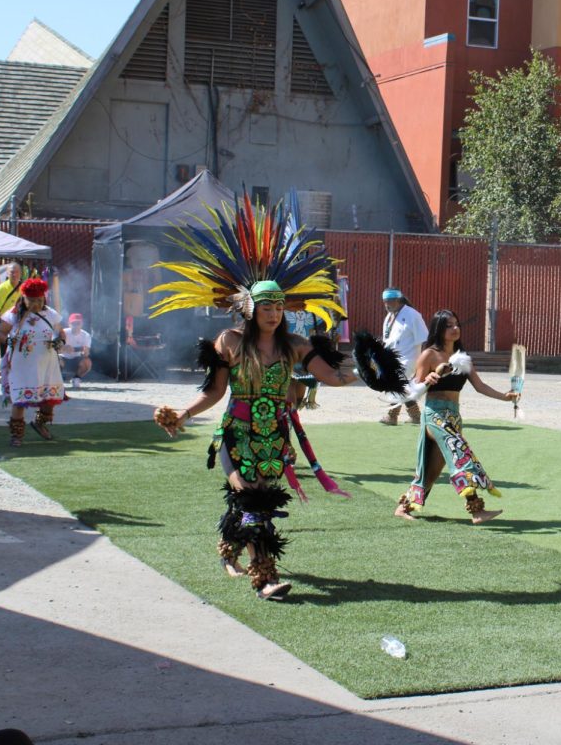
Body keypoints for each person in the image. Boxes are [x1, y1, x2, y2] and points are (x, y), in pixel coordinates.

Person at [150, 198, 353, 601]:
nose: (274, 313)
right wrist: (185, 414)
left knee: (252, 498)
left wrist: (363, 373)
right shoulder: (229, 342)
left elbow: (331, 376)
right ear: (249, 308)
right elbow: (214, 392)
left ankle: (228, 545)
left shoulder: (295, 344)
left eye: (280, 305)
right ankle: (265, 578)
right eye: (266, 306)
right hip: (236, 433)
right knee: (253, 496)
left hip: (274, 436)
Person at [394, 310, 519, 523]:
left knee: (432, 471)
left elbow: (480, 386)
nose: (455, 329)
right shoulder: (429, 355)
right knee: (461, 455)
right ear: (439, 329)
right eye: (449, 326)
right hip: (435, 416)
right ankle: (477, 511)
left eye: (456, 324)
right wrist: (429, 379)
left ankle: (403, 507)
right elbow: (412, 388)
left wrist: (505, 397)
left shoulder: (462, 358)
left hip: (453, 418)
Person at [0, 278, 65, 447]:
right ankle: (16, 435)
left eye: (39, 300)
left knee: (49, 399)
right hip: (21, 365)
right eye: (31, 300)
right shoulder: (14, 314)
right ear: (24, 298)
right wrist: (9, 341)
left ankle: (39, 424)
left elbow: (62, 334)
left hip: (47, 363)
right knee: (20, 400)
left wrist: (59, 343)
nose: (36, 303)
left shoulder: (51, 314)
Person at [379, 287, 428, 425]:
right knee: (402, 388)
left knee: (396, 385)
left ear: (398, 300)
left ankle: (392, 416)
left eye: (389, 301)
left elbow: (424, 339)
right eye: (384, 301)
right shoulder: (389, 317)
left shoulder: (413, 315)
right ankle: (416, 416)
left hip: (409, 359)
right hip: (392, 360)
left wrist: (423, 363)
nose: (386, 304)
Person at [0, 263, 22, 357]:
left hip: (19, 326)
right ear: (7, 273)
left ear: (20, 274)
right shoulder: (1, 289)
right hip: (5, 327)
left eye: (17, 272)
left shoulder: (23, 288)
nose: (14, 274)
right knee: (5, 355)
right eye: (12, 272)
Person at [59, 313, 92, 388]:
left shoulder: (86, 335)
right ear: (69, 324)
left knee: (87, 362)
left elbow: (86, 352)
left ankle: (76, 378)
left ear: (81, 324)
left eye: (78, 323)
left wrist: (84, 352)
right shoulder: (63, 333)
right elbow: (56, 349)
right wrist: (64, 348)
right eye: (73, 323)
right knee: (55, 360)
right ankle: (58, 380)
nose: (76, 325)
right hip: (63, 358)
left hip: (77, 360)